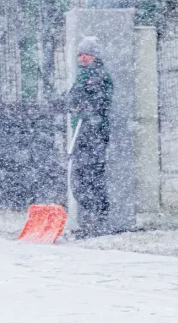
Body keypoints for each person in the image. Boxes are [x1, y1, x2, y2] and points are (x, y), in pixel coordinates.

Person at [66, 36, 113, 239]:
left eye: (85, 54)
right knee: (80, 178)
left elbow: (100, 99)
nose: (81, 58)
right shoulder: (83, 75)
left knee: (91, 176)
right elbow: (73, 97)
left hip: (92, 134)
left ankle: (98, 218)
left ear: (94, 55)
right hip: (82, 133)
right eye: (79, 54)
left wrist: (88, 107)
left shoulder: (99, 75)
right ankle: (88, 218)